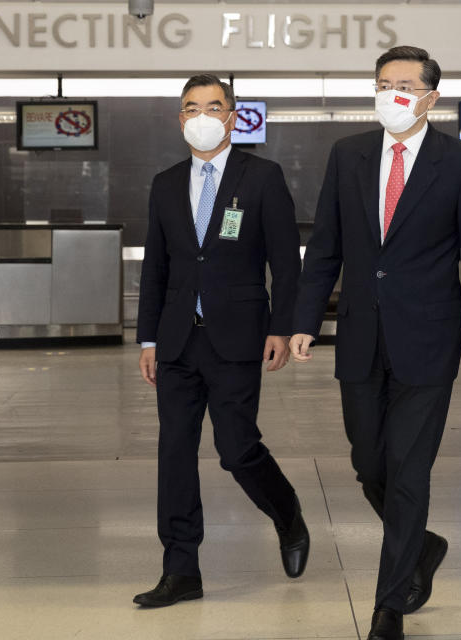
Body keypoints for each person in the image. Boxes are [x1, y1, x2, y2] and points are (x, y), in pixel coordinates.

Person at [290, 46, 461, 640]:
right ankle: (424, 544)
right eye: (385, 83)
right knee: (368, 463)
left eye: (406, 84)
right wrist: (307, 318)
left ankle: (390, 603)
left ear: (432, 96)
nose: (393, 93)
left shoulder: (460, 162)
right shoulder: (347, 154)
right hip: (359, 336)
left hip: (428, 341)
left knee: (408, 471)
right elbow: (325, 246)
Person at [133, 74, 309, 607]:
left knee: (235, 449)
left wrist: (282, 326)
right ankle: (181, 568)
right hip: (177, 341)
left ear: (233, 116)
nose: (203, 115)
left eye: (214, 105)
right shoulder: (165, 183)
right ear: (180, 118)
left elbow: (285, 261)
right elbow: (156, 268)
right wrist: (147, 339)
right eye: (192, 107)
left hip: (239, 338)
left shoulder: (263, 177)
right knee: (175, 453)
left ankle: (287, 513)